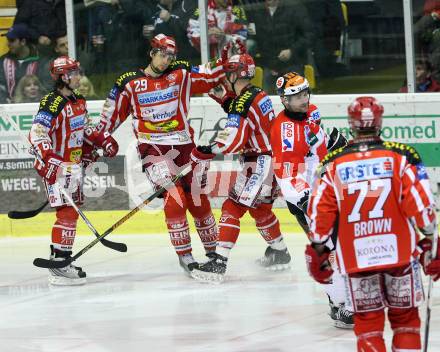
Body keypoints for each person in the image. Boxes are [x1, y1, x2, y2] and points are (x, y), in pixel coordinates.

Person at [305, 96, 440, 351]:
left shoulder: (334, 163)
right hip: (399, 255)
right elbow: (422, 207)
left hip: (357, 259)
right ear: (379, 123)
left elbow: (319, 212)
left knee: (368, 327)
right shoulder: (400, 156)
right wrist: (431, 239)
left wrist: (317, 246)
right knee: (406, 322)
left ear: (351, 125)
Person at [90, 33, 231, 275]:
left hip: (185, 145)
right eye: (162, 54)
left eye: (170, 56)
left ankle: (213, 253)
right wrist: (95, 142)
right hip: (152, 148)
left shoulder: (181, 73)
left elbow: (209, 76)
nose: (166, 60)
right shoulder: (129, 82)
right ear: (151, 52)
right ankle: (185, 256)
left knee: (198, 199)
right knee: (174, 196)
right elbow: (108, 119)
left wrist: (225, 62)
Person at [189, 53, 291, 282]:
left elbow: (233, 140)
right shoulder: (258, 94)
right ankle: (280, 252)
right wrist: (226, 101)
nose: (225, 77)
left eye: (228, 73)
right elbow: (249, 117)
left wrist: (206, 151)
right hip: (270, 160)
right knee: (260, 209)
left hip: (259, 164)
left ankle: (219, 261)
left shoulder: (242, 104)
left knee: (232, 206)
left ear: (235, 74)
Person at [270, 71, 352, 328]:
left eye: (305, 94)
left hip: (324, 193)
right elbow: (286, 174)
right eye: (297, 97)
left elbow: (320, 145)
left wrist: (338, 145)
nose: (304, 100)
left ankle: (345, 301)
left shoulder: (309, 115)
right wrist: (309, 200)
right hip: (308, 200)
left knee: (341, 247)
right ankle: (339, 304)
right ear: (284, 100)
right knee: (328, 250)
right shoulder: (284, 131)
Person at [28, 55, 114, 285]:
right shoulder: (52, 103)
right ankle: (59, 263)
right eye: (73, 73)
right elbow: (37, 133)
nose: (78, 76)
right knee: (67, 212)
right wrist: (51, 161)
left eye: (77, 72)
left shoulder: (78, 101)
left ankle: (62, 259)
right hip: (57, 167)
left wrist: (100, 140)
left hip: (73, 167)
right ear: (61, 77)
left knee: (72, 212)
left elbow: (84, 129)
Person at [0, 23, 41, 103]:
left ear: (23, 41)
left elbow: (45, 86)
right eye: (8, 40)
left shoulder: (40, 60)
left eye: (12, 40)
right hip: (9, 109)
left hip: (35, 107)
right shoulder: (2, 61)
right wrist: (4, 100)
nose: (8, 44)